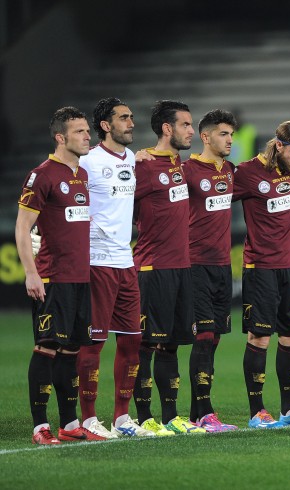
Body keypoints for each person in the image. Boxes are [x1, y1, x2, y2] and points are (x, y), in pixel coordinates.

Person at [16, 106, 105, 444]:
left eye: (87, 130)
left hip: (80, 277)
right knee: (47, 347)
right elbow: (22, 228)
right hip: (52, 277)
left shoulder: (80, 175)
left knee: (71, 350)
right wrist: (31, 273)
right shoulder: (42, 175)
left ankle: (70, 424)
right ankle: (40, 427)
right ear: (60, 137)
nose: (87, 136)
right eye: (80, 131)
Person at [234, 121, 290, 428]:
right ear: (280, 146)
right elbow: (213, 200)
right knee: (259, 338)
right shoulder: (246, 173)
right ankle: (257, 412)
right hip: (260, 269)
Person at [74, 98, 154, 439]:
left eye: (132, 117)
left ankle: (122, 418)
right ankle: (89, 419)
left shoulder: (134, 161)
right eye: (124, 118)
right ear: (106, 125)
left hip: (126, 261)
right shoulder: (88, 161)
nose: (131, 123)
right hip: (96, 263)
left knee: (133, 342)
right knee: (93, 344)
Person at [132, 100, 205, 435]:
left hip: (181, 267)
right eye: (186, 125)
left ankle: (171, 417)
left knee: (172, 343)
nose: (192, 131)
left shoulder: (178, 163)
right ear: (167, 128)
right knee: (145, 343)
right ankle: (144, 417)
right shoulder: (142, 166)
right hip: (152, 268)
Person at [183, 109, 239, 432]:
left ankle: (197, 414)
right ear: (205, 137)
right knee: (202, 336)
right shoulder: (187, 171)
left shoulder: (230, 171)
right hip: (195, 265)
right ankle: (205, 413)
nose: (230, 139)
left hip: (222, 267)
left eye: (231, 134)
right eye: (223, 134)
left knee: (214, 338)